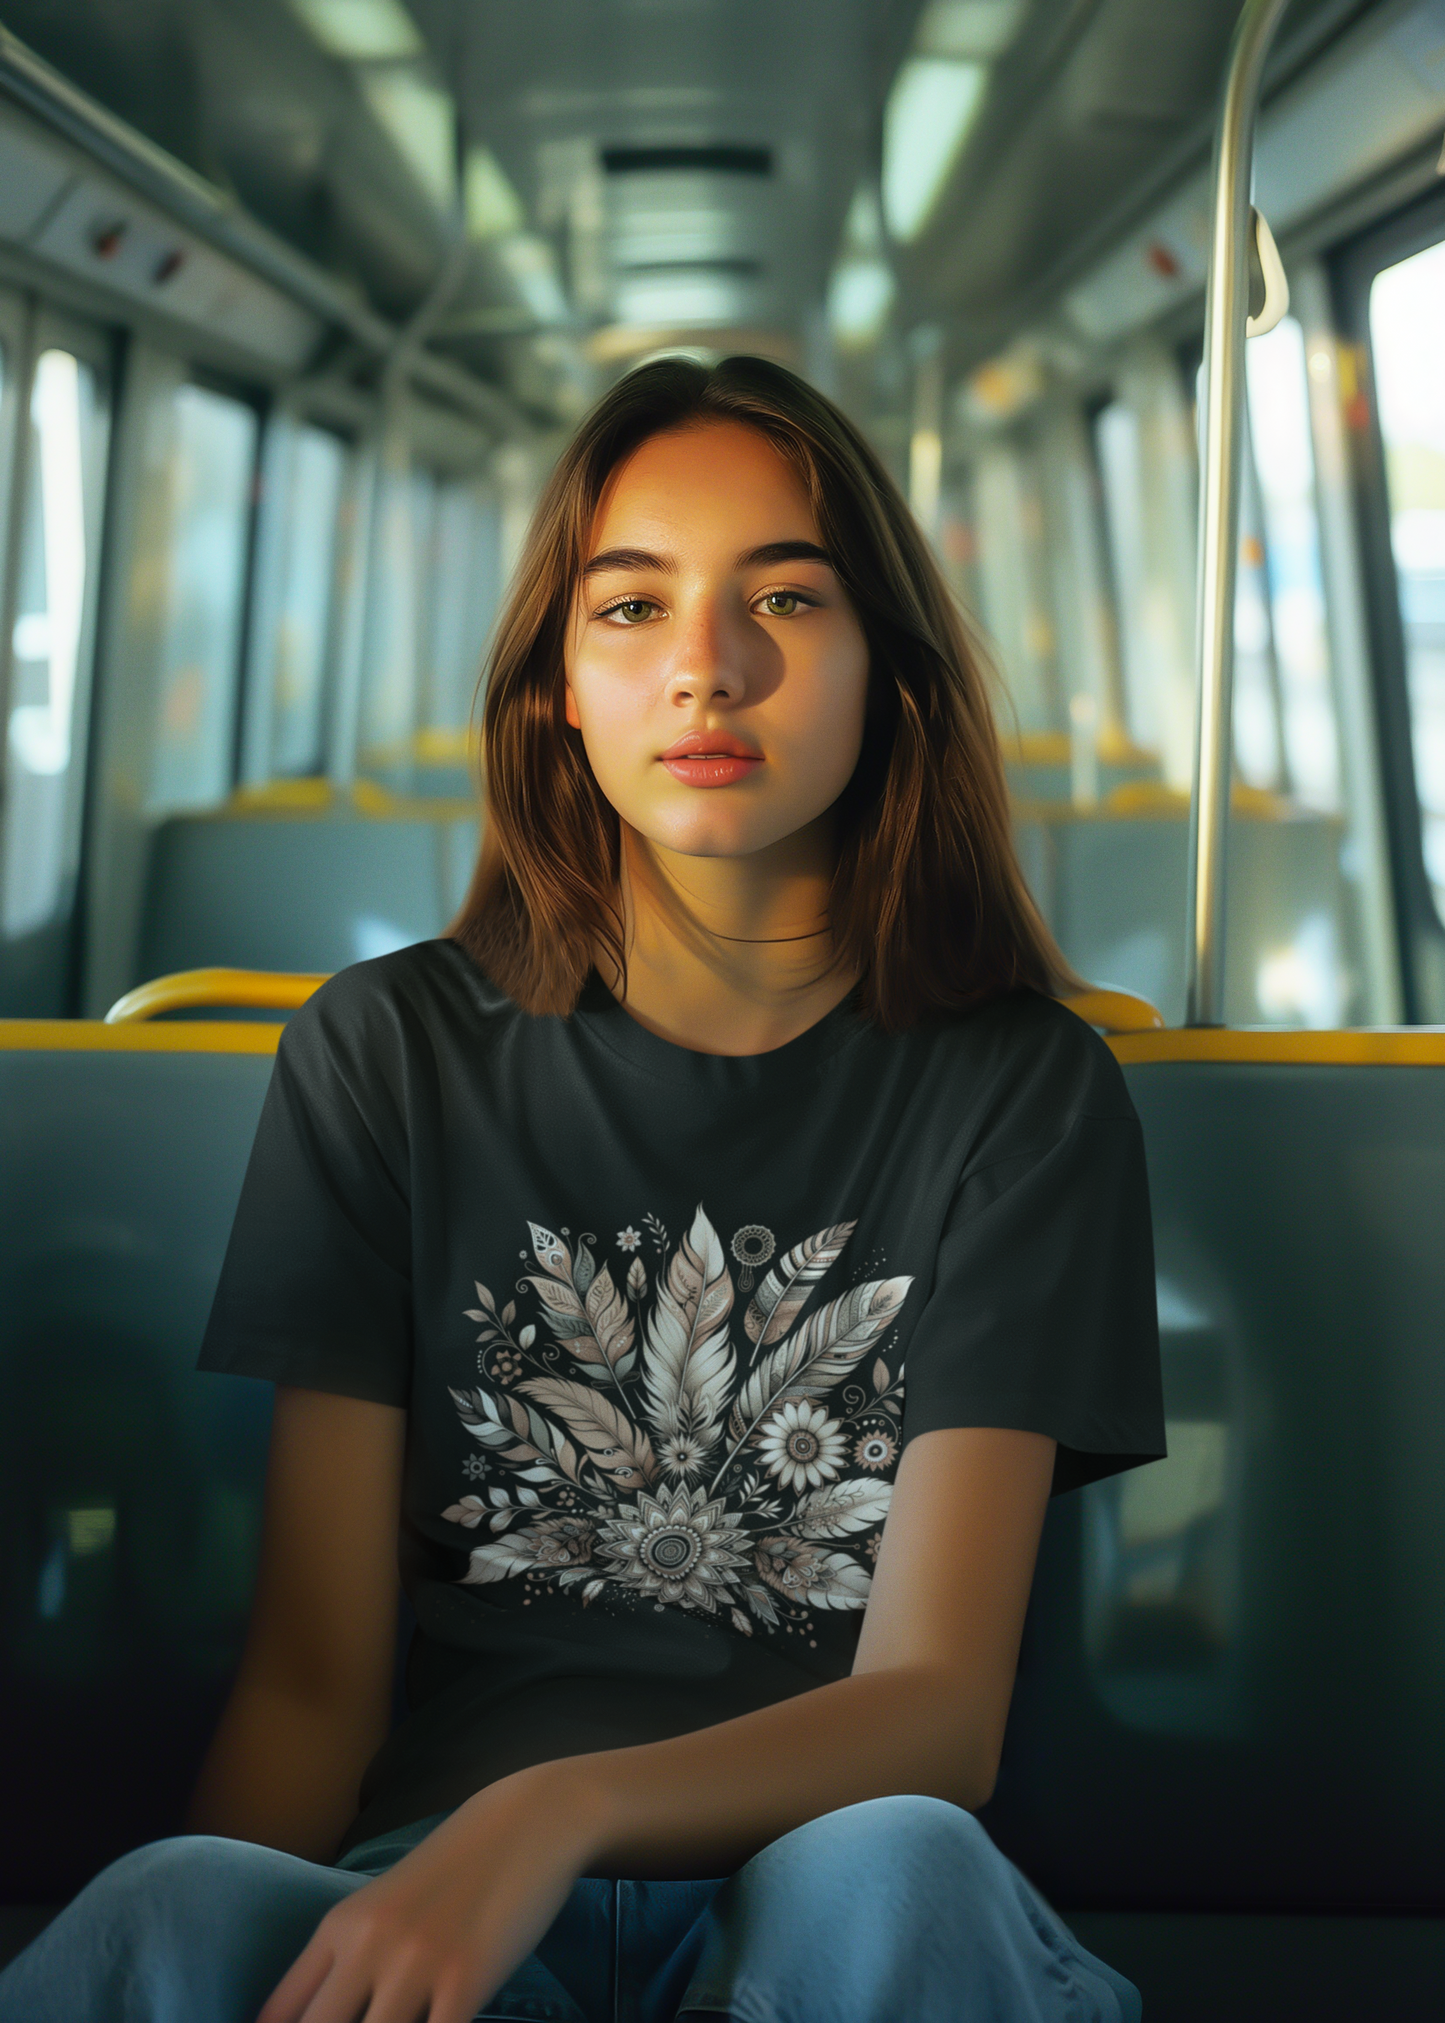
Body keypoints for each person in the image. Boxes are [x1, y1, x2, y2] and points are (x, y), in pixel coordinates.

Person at [0, 355, 1164, 2023]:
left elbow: (935, 1704)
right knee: (173, 1905)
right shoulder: (381, 1054)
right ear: (557, 680)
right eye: (631, 608)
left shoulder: (1025, 1091)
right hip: (441, 1900)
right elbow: (317, 1682)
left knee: (894, 1868)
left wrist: (562, 1804)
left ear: (890, 674)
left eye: (787, 595)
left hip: (832, 1899)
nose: (709, 666)